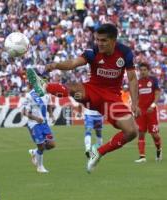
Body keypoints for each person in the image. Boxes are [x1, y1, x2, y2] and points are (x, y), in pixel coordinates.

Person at [26, 23, 140, 173]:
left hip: (112, 99)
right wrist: (56, 65)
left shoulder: (125, 53)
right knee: (74, 89)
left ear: (113, 40)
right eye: (97, 39)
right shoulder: (93, 51)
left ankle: (98, 152)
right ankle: (45, 86)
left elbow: (132, 79)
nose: (99, 43)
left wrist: (135, 103)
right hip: (91, 91)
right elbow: (73, 63)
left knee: (132, 131)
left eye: (103, 40)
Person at [22, 81, 55, 173]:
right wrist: (36, 118)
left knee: (51, 144)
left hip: (44, 124)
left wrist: (51, 115)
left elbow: (49, 105)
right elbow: (25, 112)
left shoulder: (46, 95)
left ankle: (34, 152)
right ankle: (40, 167)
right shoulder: (30, 95)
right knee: (41, 146)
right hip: (34, 125)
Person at [134, 63, 162, 163]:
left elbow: (157, 94)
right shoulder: (137, 82)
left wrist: (153, 105)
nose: (142, 72)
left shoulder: (153, 80)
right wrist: (136, 107)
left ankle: (159, 149)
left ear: (148, 70)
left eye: (144, 70)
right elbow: (136, 97)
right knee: (141, 133)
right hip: (141, 112)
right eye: (141, 70)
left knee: (155, 135)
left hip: (151, 111)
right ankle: (142, 157)